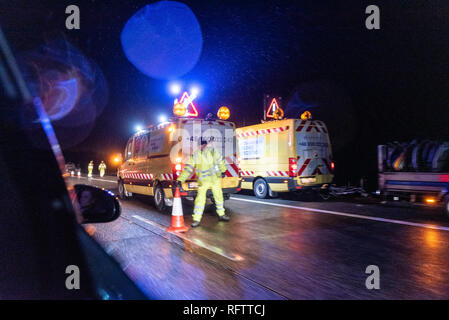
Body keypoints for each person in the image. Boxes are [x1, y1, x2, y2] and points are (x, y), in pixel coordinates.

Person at [177, 137, 230, 227]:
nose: (202, 146)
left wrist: (223, 170)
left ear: (205, 144)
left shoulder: (212, 151)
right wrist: (180, 179)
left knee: (219, 197)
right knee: (200, 200)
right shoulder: (197, 155)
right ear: (199, 145)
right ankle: (196, 219)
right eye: (201, 145)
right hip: (204, 181)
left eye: (203, 144)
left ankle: (221, 215)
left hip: (214, 179)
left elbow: (220, 160)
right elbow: (189, 168)